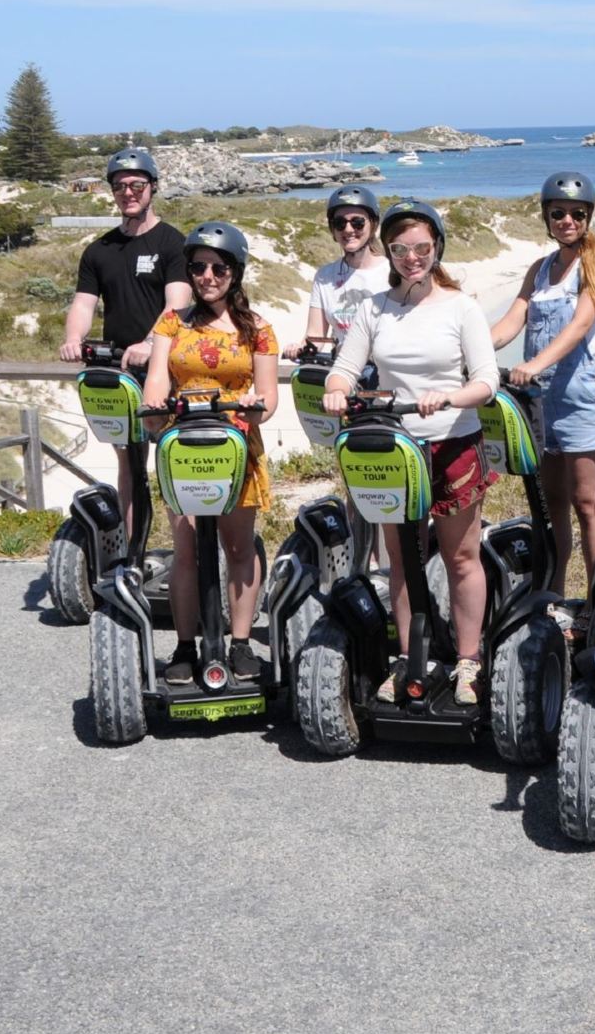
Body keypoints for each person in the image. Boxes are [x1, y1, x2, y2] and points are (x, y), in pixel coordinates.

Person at [322, 199, 501, 705]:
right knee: (401, 560)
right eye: (401, 249)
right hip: (396, 449)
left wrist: (450, 396)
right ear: (391, 252)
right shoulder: (373, 308)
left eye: (422, 247)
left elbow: (486, 379)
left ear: (437, 247)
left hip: (453, 442)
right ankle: (408, 657)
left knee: (462, 556)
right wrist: (337, 389)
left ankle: (468, 661)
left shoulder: (460, 306)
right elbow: (345, 367)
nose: (412, 257)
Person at [139, 221, 278, 685]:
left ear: (235, 272)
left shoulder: (257, 329)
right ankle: (184, 644)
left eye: (219, 267)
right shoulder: (171, 322)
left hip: (236, 449)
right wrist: (153, 406)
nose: (207, 276)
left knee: (238, 547)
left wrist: (256, 408)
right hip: (184, 447)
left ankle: (239, 643)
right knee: (185, 549)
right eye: (198, 267)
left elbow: (268, 395)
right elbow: (158, 375)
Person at [488, 172, 595, 595]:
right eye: (558, 213)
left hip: (582, 396)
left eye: (576, 214)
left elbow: (581, 324)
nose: (567, 220)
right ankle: (554, 592)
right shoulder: (541, 269)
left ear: (588, 217)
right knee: (551, 503)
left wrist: (536, 362)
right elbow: (512, 320)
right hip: (540, 401)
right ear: (546, 217)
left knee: (588, 501)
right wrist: (474, 351)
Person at [60, 147, 191, 543]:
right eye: (120, 187)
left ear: (153, 187)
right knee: (129, 466)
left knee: (173, 461)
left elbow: (179, 303)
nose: (128, 193)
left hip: (166, 369)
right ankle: (131, 553)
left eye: (137, 185)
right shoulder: (99, 250)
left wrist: (153, 342)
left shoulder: (173, 244)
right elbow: (84, 302)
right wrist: (72, 339)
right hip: (120, 371)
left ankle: (187, 554)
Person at [297, 184, 384, 357]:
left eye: (358, 223)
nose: (348, 230)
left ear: (372, 225)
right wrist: (301, 348)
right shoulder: (325, 276)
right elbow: (316, 336)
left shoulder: (392, 272)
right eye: (340, 223)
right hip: (342, 367)